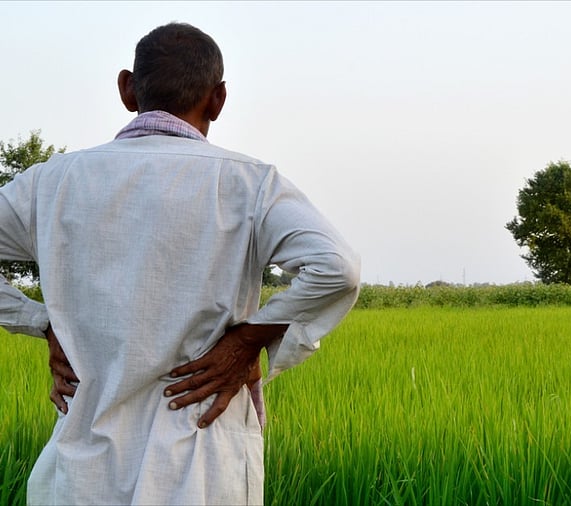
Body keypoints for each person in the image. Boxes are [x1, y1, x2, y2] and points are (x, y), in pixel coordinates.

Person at [0, 22, 360, 505]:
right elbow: (337, 268)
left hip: (83, 475)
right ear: (218, 99)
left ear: (127, 88)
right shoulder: (249, 185)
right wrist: (249, 338)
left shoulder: (53, 183)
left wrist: (40, 322)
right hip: (201, 464)